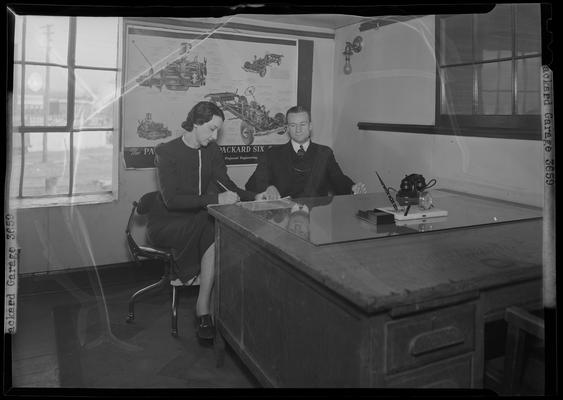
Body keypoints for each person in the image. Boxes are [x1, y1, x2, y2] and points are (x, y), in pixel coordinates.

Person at [146, 101, 255, 341]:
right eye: (211, 129)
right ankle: (204, 307)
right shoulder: (166, 151)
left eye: (218, 130)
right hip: (167, 223)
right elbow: (172, 200)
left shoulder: (212, 151)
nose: (215, 136)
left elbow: (228, 186)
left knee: (210, 223)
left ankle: (204, 305)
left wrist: (256, 197)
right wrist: (216, 198)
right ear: (196, 124)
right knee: (210, 222)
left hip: (197, 220)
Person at [246, 105, 367, 199]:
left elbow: (339, 180)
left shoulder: (324, 153)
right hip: (282, 219)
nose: (298, 130)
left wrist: (353, 188)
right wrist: (268, 188)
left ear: (310, 126)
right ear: (287, 129)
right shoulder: (273, 154)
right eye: (293, 125)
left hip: (316, 219)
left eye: (302, 124)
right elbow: (251, 184)